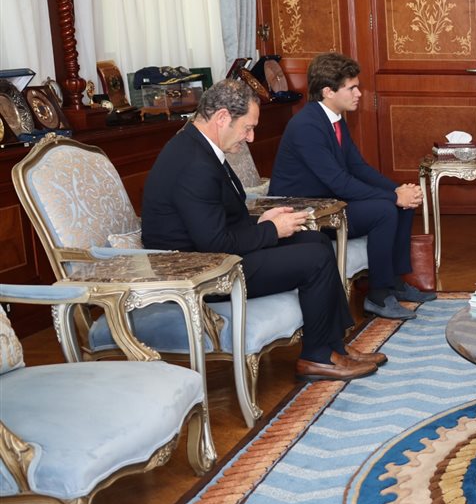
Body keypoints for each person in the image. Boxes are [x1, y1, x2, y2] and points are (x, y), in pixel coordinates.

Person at [141, 81, 382, 382]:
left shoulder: (198, 146)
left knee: (317, 240)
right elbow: (213, 241)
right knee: (315, 259)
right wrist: (270, 229)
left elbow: (216, 221)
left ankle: (333, 345)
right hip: (202, 271)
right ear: (222, 117)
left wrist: (261, 222)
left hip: (214, 254)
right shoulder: (194, 163)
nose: (251, 137)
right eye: (248, 128)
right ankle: (317, 358)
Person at [270, 52, 431, 321]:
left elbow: (358, 167)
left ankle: (394, 281)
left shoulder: (334, 119)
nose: (359, 93)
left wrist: (398, 191)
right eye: (352, 88)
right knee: (385, 210)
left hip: (330, 202)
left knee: (401, 205)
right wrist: (393, 198)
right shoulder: (307, 126)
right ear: (328, 92)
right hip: (307, 214)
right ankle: (378, 296)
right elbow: (339, 181)